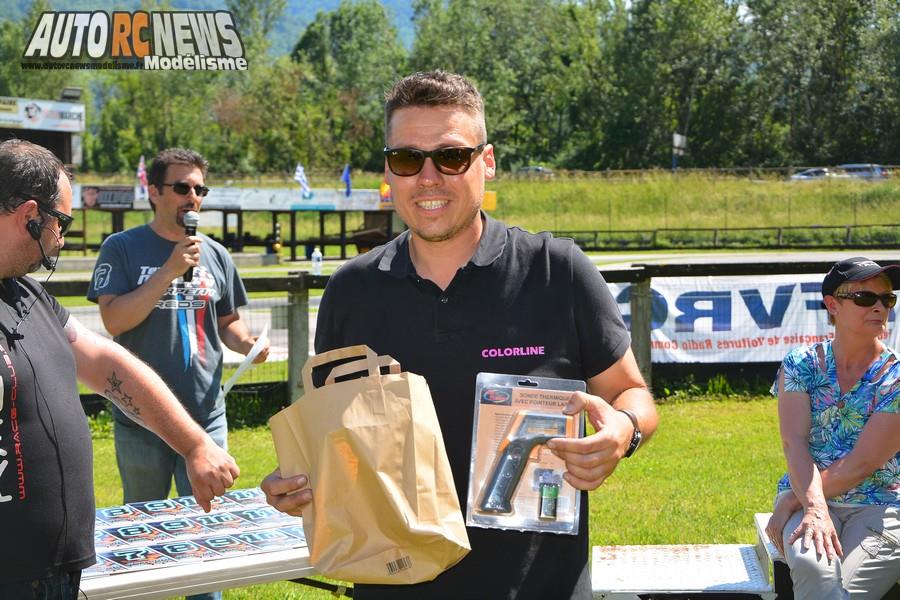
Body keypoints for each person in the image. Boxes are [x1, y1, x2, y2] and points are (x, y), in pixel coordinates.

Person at [262, 70, 658, 599]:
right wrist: (298, 482)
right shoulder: (351, 291)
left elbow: (632, 392)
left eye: (451, 157)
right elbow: (337, 443)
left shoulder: (557, 270)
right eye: (407, 159)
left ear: (486, 162)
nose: (428, 177)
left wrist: (622, 431)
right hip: (394, 584)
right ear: (388, 170)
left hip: (541, 586)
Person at [0, 139, 240, 599]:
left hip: (52, 572)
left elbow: (108, 362)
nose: (62, 238)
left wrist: (194, 445)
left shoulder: (26, 295)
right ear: (29, 214)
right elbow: (116, 322)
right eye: (61, 222)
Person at [87, 148, 268, 600]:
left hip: (206, 417)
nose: (193, 197)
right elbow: (115, 322)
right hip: (142, 420)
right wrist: (168, 271)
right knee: (143, 537)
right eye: (182, 187)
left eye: (200, 189)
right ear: (153, 192)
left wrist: (248, 345)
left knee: (208, 536)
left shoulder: (217, 255)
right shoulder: (123, 248)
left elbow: (227, 322)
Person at [765, 257, 900, 600]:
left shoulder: (896, 376)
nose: (879, 307)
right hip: (808, 499)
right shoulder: (801, 364)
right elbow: (793, 442)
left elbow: (862, 464)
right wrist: (814, 507)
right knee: (813, 568)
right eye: (865, 298)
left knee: (843, 592)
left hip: (880, 505)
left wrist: (797, 501)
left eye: (887, 299)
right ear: (832, 305)